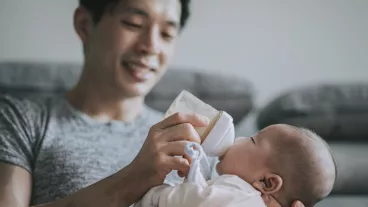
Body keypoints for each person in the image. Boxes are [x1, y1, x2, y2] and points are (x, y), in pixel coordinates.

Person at [0, 0, 306, 207]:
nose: (150, 46)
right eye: (133, 23)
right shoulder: (22, 119)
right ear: (85, 24)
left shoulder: (195, 137)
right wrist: (132, 179)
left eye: (167, 33)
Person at [135, 124, 336, 207]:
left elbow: (191, 199)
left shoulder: (242, 195)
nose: (239, 138)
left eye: (251, 140)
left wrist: (154, 193)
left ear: (267, 182)